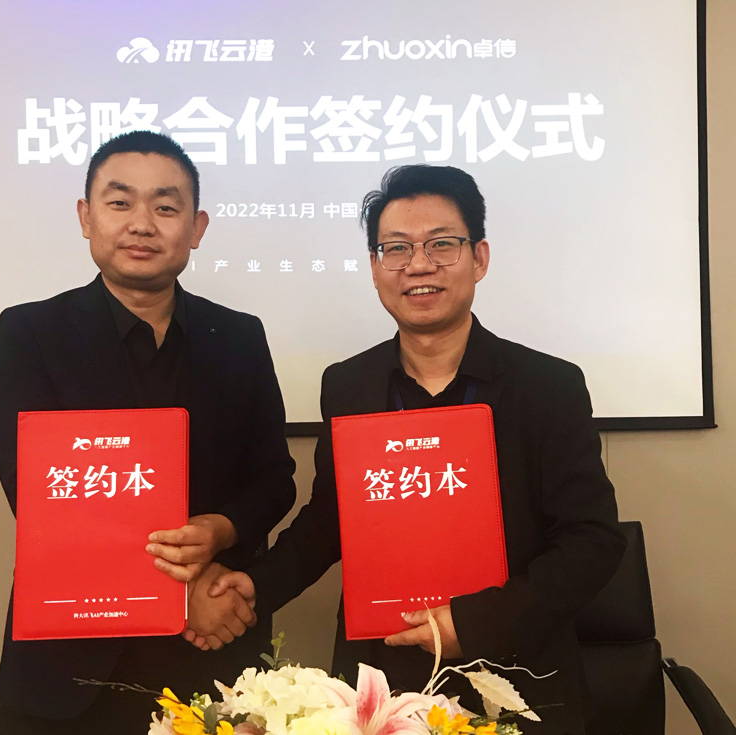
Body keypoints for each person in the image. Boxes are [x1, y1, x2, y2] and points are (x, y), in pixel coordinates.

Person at [189, 164, 626, 734]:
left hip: (517, 675)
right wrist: (256, 585)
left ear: (479, 258)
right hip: (381, 681)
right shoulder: (348, 385)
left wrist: (474, 621)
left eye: (442, 244)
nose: (419, 265)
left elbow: (592, 541)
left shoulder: (547, 386)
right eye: (396, 248)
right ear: (375, 268)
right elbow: (331, 519)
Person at [0, 131, 296, 734]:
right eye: (120, 202)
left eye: (166, 207)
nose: (142, 223)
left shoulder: (239, 336)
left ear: (196, 227)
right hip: (72, 659)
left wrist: (221, 529)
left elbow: (275, 478)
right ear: (85, 216)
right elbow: (38, 494)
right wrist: (183, 587)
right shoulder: (31, 334)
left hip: (212, 650)